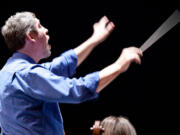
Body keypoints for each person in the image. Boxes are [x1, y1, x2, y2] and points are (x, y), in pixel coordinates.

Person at [0, 11, 142, 135]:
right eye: (40, 26)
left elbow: (62, 65)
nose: (46, 30)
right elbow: (77, 90)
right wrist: (119, 65)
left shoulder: (10, 71)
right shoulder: (26, 74)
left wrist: (95, 39)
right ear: (31, 36)